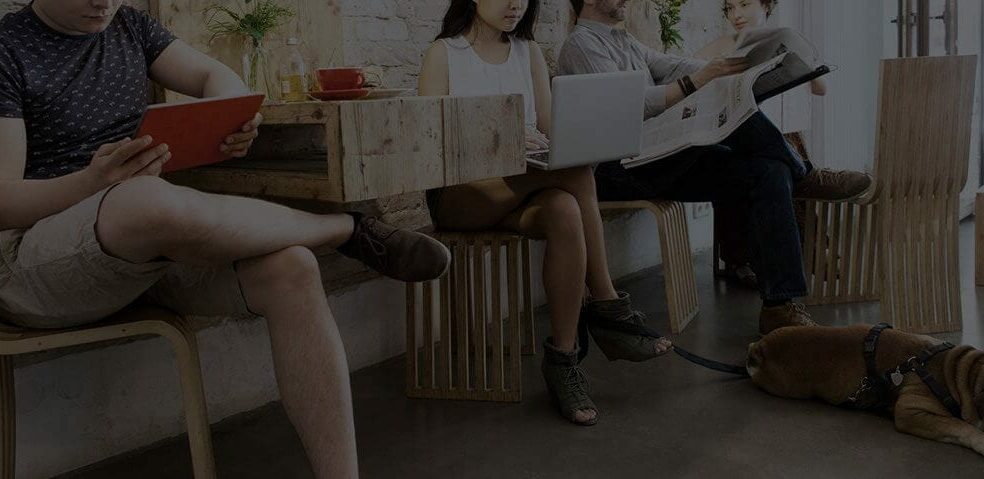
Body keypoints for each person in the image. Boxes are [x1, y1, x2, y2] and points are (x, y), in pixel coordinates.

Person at [0, 1, 454, 477]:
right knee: (147, 201)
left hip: (145, 248)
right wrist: (92, 184)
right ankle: (345, 228)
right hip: (35, 263)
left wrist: (228, 121)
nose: (103, 2)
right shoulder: (8, 48)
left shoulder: (129, 25)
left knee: (292, 267)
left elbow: (218, 78)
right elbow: (4, 201)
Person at [418, 0, 672, 427]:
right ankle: (608, 307)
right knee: (577, 173)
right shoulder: (443, 54)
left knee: (566, 207)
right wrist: (499, 142)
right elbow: (428, 144)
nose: (516, 3)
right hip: (462, 196)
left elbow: (555, 133)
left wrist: (550, 143)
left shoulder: (528, 51)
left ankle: (564, 358)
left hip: (521, 187)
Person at [559, 0, 872, 334]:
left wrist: (734, 70)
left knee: (769, 171)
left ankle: (781, 306)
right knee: (731, 115)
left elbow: (675, 66)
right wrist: (697, 82)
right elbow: (627, 106)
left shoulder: (623, 40)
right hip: (618, 170)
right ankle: (806, 176)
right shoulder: (580, 45)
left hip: (657, 159)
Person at [696, 0, 826, 288]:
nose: (737, 14)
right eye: (729, 8)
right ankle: (742, 258)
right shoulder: (723, 44)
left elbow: (821, 89)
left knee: (777, 155)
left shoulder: (785, 39)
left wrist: (803, 65)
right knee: (742, 155)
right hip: (738, 132)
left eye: (744, 4)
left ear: (766, 5)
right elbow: (690, 78)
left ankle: (804, 254)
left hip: (780, 135)